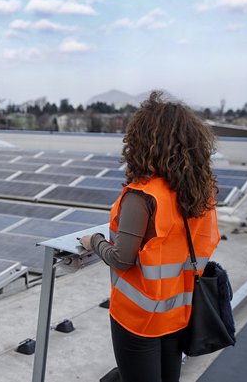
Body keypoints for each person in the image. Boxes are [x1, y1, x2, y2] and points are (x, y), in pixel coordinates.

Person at [79, 91, 220, 382]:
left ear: (142, 141)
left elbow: (121, 258)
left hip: (138, 319)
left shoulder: (142, 195)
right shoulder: (199, 191)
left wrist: (93, 241)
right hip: (178, 311)